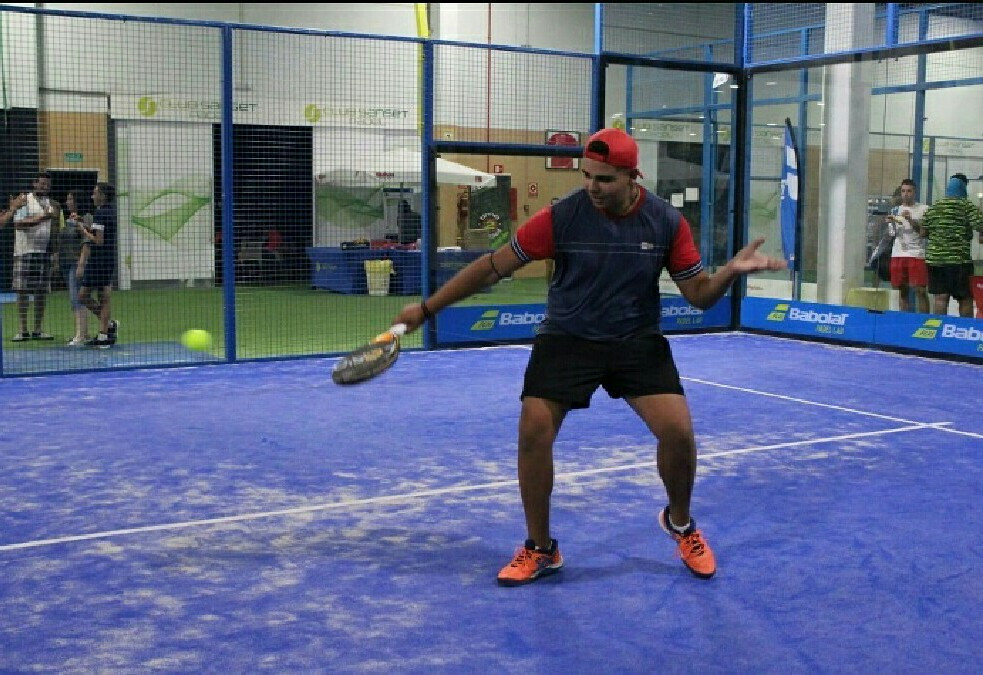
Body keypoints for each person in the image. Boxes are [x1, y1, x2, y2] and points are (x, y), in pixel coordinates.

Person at [392, 128, 787, 585]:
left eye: (605, 179)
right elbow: (492, 268)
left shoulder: (665, 221)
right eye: (587, 176)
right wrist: (427, 309)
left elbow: (699, 296)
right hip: (568, 337)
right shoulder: (561, 217)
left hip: (635, 339)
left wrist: (730, 272)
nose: (592, 187)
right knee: (534, 430)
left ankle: (679, 523)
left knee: (678, 432)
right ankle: (540, 548)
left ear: (632, 176)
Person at [922, 174, 983, 317]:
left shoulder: (934, 206)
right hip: (959, 261)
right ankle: (964, 327)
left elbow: (923, 232)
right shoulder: (966, 205)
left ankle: (940, 326)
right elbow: (980, 225)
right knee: (965, 298)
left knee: (940, 297)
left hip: (935, 260)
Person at [10, 173, 58, 341]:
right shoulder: (24, 200)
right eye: (42, 184)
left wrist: (55, 253)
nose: (45, 187)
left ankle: (38, 329)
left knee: (41, 292)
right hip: (24, 251)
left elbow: (54, 230)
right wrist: (42, 217)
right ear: (34, 184)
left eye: (48, 184)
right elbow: (19, 224)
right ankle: (23, 330)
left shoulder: (51, 204)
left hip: (44, 252)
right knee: (22, 291)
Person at [78, 182, 120, 348]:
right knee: (101, 297)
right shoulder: (110, 212)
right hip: (107, 259)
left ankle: (105, 331)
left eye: (95, 193)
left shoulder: (101, 213)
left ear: (102, 195)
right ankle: (106, 330)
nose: (92, 196)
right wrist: (88, 227)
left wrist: (83, 231)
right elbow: (101, 233)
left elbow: (98, 240)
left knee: (87, 296)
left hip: (99, 261)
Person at [886, 179, 929, 313]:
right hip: (898, 253)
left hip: (917, 254)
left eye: (909, 191)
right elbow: (892, 234)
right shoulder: (895, 210)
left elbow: (924, 233)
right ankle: (904, 319)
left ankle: (924, 320)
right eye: (903, 191)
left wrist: (910, 220)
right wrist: (891, 223)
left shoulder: (924, 209)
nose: (905, 194)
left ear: (915, 192)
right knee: (902, 290)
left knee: (920, 290)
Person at [55, 191, 91, 346]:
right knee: (73, 298)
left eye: (70, 199)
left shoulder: (86, 218)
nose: (67, 201)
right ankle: (84, 333)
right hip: (66, 262)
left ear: (77, 201)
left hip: (76, 262)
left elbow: (87, 241)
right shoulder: (67, 218)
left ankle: (80, 335)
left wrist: (81, 263)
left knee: (76, 298)